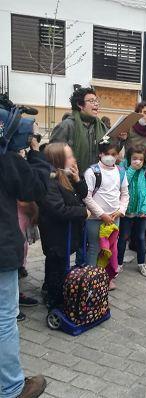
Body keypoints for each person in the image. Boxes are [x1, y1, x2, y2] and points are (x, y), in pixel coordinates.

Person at [0, 137, 49, 398]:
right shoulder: (6, 157)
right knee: (4, 319)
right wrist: (35, 152)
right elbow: (35, 188)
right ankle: (11, 388)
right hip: (2, 247)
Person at [37, 143, 89, 309]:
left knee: (59, 262)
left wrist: (78, 179)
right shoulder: (49, 180)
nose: (73, 159)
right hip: (55, 232)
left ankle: (52, 290)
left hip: (66, 231)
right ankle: (54, 300)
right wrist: (82, 212)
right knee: (55, 263)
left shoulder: (66, 174)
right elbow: (58, 209)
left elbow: (83, 194)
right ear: (58, 160)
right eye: (69, 156)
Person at [83, 141, 129, 289]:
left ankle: (107, 277)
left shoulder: (121, 171)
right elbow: (87, 197)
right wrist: (102, 214)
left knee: (111, 249)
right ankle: (91, 279)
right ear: (100, 154)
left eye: (113, 154)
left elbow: (125, 194)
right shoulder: (92, 172)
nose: (110, 157)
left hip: (114, 218)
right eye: (107, 154)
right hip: (95, 219)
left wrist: (121, 210)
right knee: (95, 248)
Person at [116, 146, 146, 277]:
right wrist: (132, 169)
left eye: (140, 159)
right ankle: (118, 264)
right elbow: (122, 182)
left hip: (142, 210)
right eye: (134, 158)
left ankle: (141, 264)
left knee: (140, 237)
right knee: (123, 236)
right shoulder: (123, 166)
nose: (137, 161)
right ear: (129, 158)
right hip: (127, 209)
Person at [50, 87, 109, 173]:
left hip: (95, 179)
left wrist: (121, 140)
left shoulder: (101, 127)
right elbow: (54, 156)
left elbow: (110, 151)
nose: (96, 104)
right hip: (71, 179)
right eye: (92, 101)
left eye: (96, 101)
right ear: (80, 105)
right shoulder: (66, 126)